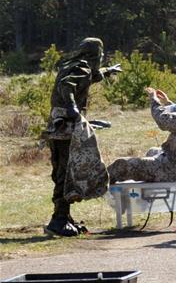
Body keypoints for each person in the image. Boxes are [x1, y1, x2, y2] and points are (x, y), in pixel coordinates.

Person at [42, 37, 121, 237]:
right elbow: (68, 86)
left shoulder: (74, 65)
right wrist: (73, 108)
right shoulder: (82, 68)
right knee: (66, 175)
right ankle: (58, 220)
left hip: (57, 129)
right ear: (97, 54)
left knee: (63, 173)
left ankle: (63, 216)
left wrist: (107, 71)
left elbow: (87, 78)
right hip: (66, 130)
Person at [107, 84, 176, 183]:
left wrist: (154, 99)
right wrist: (167, 103)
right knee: (152, 151)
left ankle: (95, 184)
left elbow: (163, 120)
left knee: (121, 165)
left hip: (170, 170)